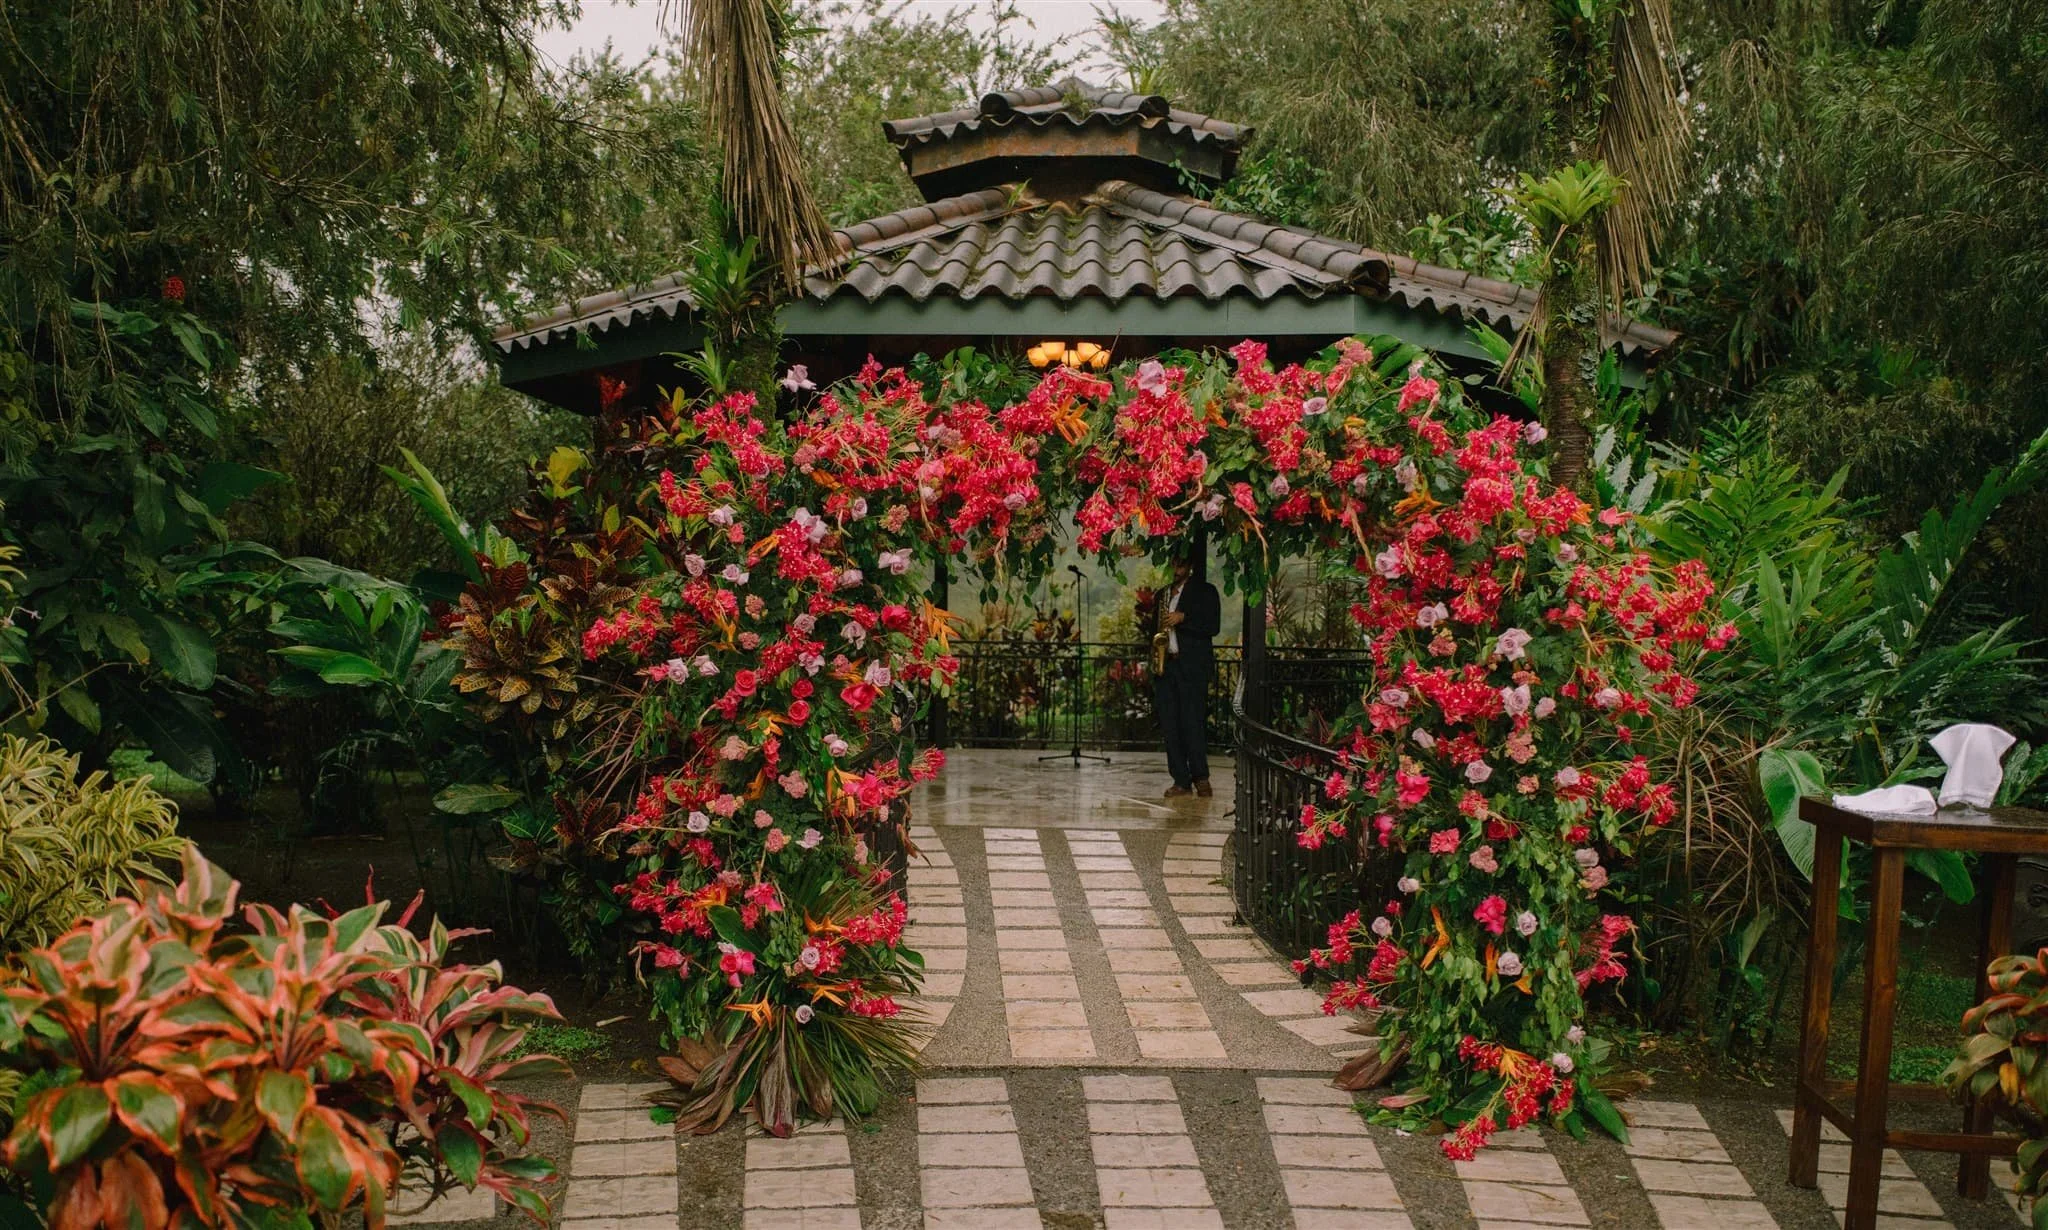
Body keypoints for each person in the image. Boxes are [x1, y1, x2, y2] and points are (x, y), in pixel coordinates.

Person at [1152, 545, 1221, 798]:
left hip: (1191, 667)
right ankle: (1180, 780)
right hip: (1166, 666)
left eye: (1181, 564)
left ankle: (1201, 777)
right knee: (1171, 726)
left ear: (1190, 566)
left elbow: (1213, 626)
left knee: (1193, 722)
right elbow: (1154, 633)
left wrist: (1184, 618)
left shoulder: (1206, 592)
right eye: (1174, 564)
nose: (1177, 569)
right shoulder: (1162, 595)